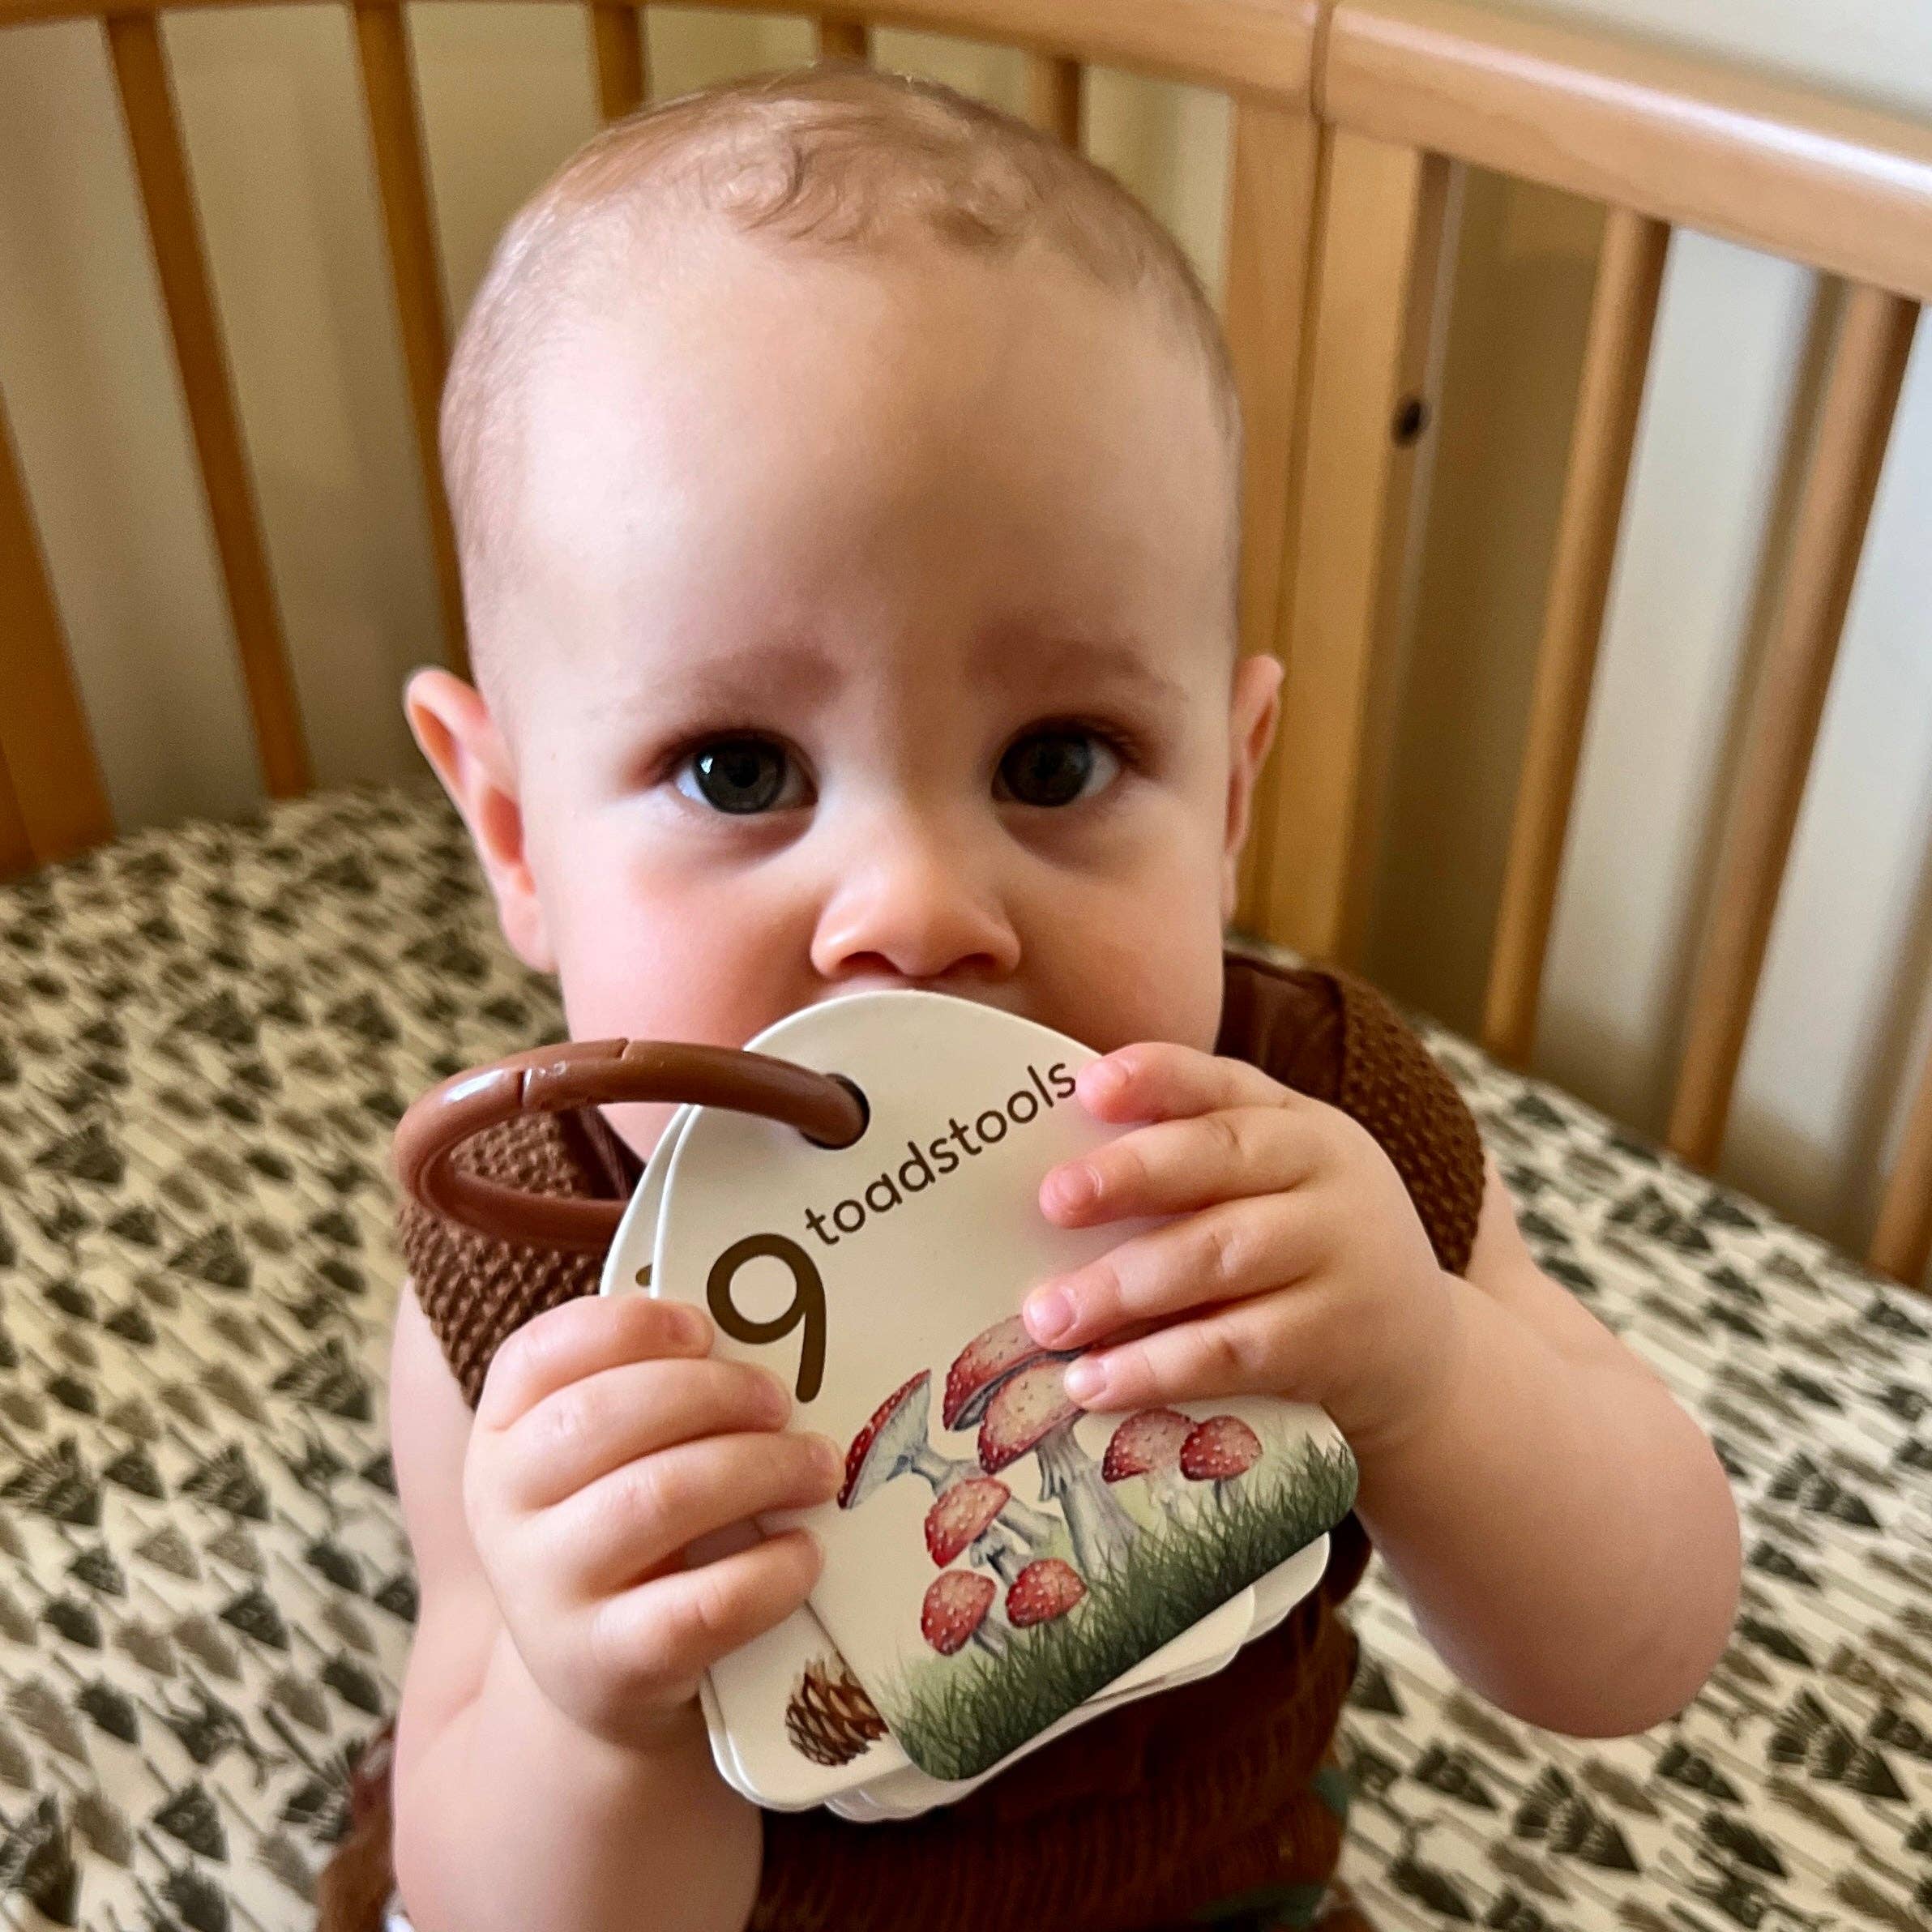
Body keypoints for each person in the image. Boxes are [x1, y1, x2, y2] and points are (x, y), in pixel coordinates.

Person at [321, 62, 1741, 1932]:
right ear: (512, 829)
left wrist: (1428, 1377)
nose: (911, 912)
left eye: (1058, 758)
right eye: (739, 771)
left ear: (1227, 795)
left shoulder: (1311, 1127)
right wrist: (597, 1718)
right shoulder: (537, 1286)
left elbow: (1631, 1649)